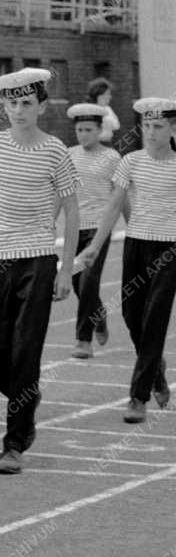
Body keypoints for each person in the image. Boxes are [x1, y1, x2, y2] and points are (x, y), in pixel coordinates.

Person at [0, 67, 79, 476]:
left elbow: (73, 214)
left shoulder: (56, 151)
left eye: (26, 103)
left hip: (38, 260)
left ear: (42, 106)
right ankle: (26, 396)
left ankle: (14, 443)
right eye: (11, 103)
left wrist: (65, 271)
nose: (18, 110)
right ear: (3, 106)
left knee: (26, 350)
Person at [74, 98, 176, 424]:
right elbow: (114, 206)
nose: (151, 132)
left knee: (156, 317)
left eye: (158, 126)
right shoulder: (131, 161)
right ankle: (156, 371)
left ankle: (138, 397)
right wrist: (94, 247)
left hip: (169, 249)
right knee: (134, 317)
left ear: (173, 128)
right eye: (146, 125)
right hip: (136, 245)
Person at [66, 103, 121, 359]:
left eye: (88, 129)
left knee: (88, 282)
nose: (83, 134)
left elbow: (121, 198)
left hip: (98, 229)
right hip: (74, 227)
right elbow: (60, 193)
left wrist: (133, 227)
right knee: (77, 284)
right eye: (79, 129)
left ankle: (83, 340)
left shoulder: (112, 158)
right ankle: (98, 315)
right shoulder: (69, 154)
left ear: (100, 130)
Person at [87, 77, 121, 144]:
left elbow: (116, 126)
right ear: (100, 95)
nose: (110, 97)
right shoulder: (90, 110)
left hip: (108, 143)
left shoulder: (107, 108)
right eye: (108, 94)